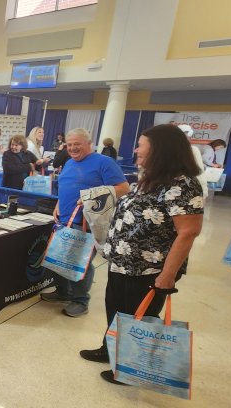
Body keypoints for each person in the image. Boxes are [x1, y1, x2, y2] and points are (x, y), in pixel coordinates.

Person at [79, 124, 204, 385]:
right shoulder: (151, 178)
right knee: (117, 311)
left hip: (149, 268)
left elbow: (188, 233)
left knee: (140, 318)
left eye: (141, 145)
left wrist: (167, 276)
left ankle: (132, 369)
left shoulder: (184, 185)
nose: (135, 150)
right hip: (123, 263)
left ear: (160, 150)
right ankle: (110, 348)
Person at [40, 128, 129, 317]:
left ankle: (80, 301)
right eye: (69, 144)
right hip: (64, 219)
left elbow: (122, 188)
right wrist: (58, 204)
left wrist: (92, 197)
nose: (72, 148)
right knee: (61, 258)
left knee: (81, 262)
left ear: (90, 144)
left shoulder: (104, 162)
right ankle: (64, 292)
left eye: (77, 144)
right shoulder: (70, 162)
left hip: (88, 223)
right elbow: (66, 186)